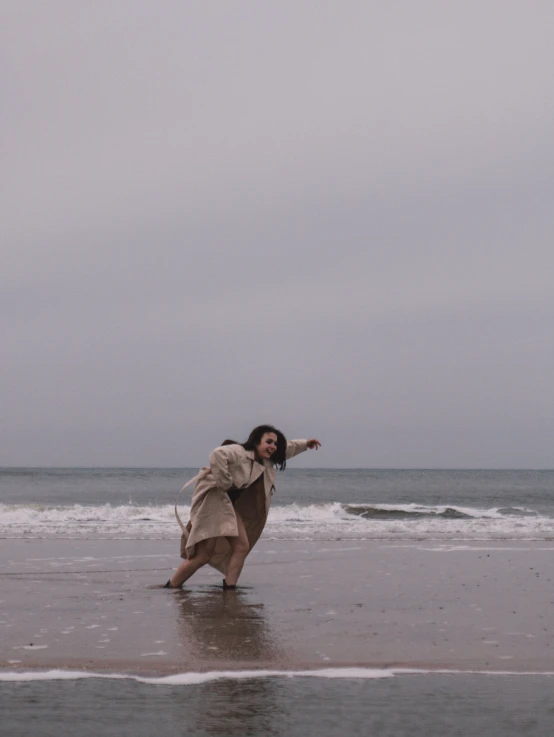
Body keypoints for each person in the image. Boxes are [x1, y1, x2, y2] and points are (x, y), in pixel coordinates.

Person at [164, 425, 321, 589]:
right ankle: (173, 586)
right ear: (255, 442)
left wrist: (305, 444)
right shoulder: (240, 451)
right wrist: (225, 482)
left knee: (241, 546)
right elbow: (217, 454)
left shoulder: (265, 460)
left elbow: (287, 448)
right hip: (213, 502)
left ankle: (230, 588)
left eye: (275, 443)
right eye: (268, 442)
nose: (273, 446)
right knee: (203, 554)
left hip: (227, 506)